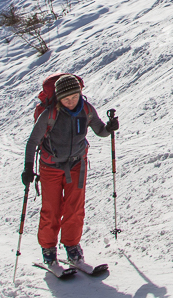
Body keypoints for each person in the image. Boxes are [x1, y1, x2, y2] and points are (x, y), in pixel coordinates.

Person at [22, 74, 117, 273]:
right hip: (51, 167)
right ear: (58, 99)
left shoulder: (87, 109)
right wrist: (28, 168)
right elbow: (32, 142)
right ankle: (49, 252)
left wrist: (109, 128)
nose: (71, 102)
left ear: (80, 93)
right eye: (66, 99)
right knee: (51, 209)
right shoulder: (49, 114)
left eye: (74, 97)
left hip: (77, 165)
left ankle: (73, 249)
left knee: (75, 208)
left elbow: (99, 130)